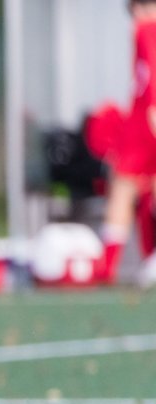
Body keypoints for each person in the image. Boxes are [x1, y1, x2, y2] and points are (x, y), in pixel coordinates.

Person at [97, 0, 156, 285]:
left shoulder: (147, 30)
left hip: (145, 128)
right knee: (131, 190)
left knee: (123, 190)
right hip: (142, 126)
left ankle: (107, 267)